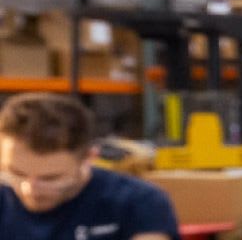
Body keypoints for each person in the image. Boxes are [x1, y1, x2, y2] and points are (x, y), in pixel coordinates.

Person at [0, 93, 176, 240]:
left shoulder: (138, 202)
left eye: (50, 178)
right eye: (17, 173)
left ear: (89, 158)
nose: (30, 189)